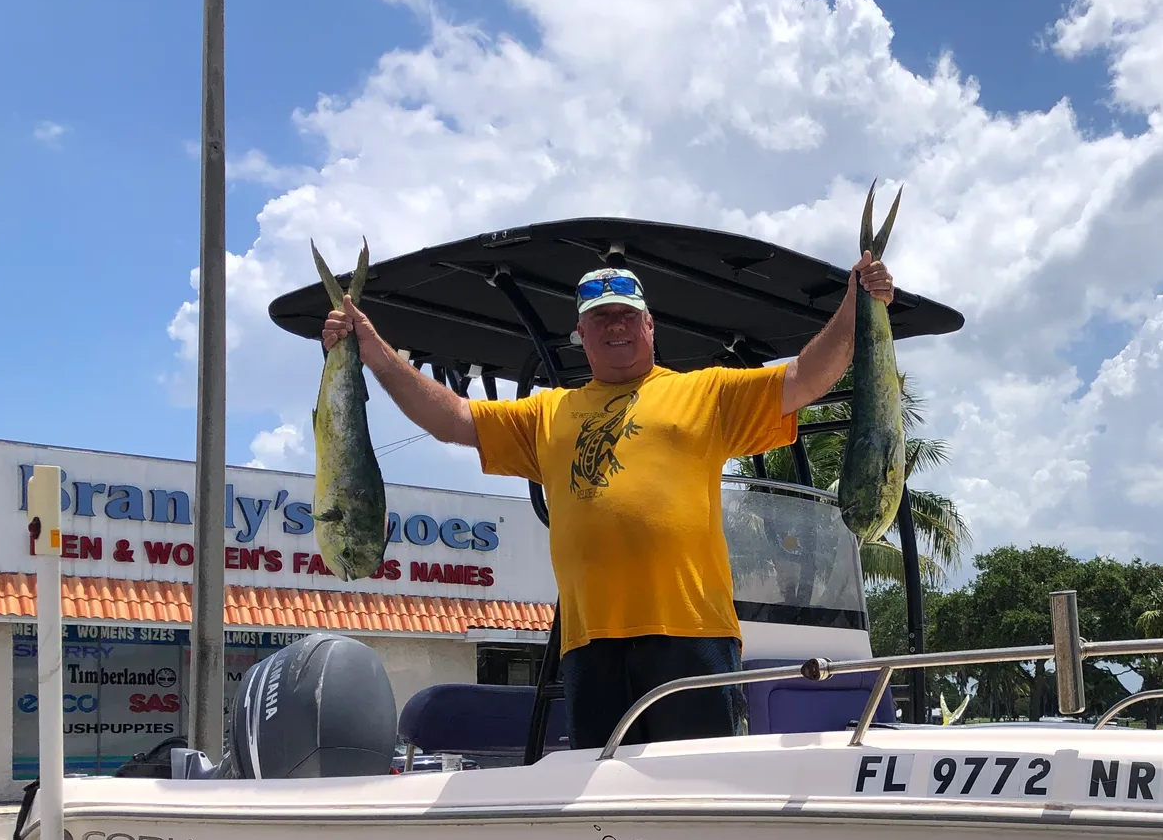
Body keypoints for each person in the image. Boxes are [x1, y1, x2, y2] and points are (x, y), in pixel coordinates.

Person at [320, 248, 894, 749]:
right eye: (600, 318)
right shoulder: (547, 413)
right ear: (582, 332)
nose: (615, 326)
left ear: (650, 325)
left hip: (690, 633)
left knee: (695, 789)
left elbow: (805, 378)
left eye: (626, 315)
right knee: (605, 801)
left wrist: (857, 302)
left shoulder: (706, 392)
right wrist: (374, 352)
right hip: (590, 643)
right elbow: (453, 419)